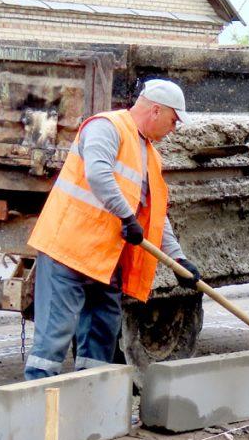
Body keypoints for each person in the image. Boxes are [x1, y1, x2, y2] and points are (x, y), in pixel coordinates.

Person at [24, 79, 201, 380]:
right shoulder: (106, 127)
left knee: (101, 336)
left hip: (105, 260)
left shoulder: (150, 155)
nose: (174, 129)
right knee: (54, 335)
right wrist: (127, 218)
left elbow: (155, 215)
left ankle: (92, 396)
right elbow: (98, 174)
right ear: (156, 110)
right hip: (67, 250)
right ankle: (37, 398)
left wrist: (178, 260)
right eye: (174, 121)